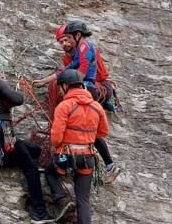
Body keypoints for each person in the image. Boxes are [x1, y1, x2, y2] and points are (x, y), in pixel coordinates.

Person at [0, 55, 61, 224]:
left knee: (34, 149)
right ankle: (39, 212)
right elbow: (18, 99)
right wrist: (8, 102)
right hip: (5, 133)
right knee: (32, 169)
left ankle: (9, 160)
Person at [40, 21, 120, 182]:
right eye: (61, 41)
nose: (65, 43)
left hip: (92, 88)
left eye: (67, 39)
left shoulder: (86, 48)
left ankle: (108, 164)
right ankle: (107, 165)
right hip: (85, 89)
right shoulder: (70, 57)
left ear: (76, 36)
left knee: (89, 130)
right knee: (86, 129)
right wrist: (42, 81)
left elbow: (81, 72)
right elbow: (65, 71)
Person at [44, 68, 110, 224]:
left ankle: (62, 199)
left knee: (50, 172)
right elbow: (103, 132)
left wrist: (59, 146)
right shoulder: (96, 106)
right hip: (87, 157)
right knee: (83, 199)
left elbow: (56, 137)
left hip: (66, 155)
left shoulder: (64, 106)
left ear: (65, 86)